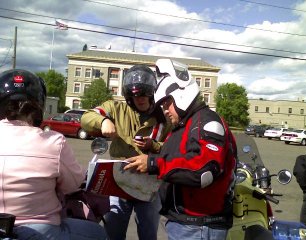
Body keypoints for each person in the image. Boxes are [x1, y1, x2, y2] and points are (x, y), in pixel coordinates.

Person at [124, 59, 237, 240]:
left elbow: (203, 171)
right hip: (185, 223)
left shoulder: (206, 122)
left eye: (166, 104)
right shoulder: (186, 125)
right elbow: (173, 160)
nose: (165, 111)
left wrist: (154, 164)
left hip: (198, 226)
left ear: (180, 95)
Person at [0, 69, 107, 240]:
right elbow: (74, 185)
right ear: (38, 105)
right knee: (98, 233)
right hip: (40, 230)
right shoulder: (53, 141)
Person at [81, 65, 171, 240]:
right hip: (118, 179)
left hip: (150, 181)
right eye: (135, 95)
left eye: (144, 94)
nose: (140, 99)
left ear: (152, 92)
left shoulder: (164, 117)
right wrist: (104, 121)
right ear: (128, 95)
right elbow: (86, 117)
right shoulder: (115, 108)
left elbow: (172, 147)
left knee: (148, 232)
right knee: (113, 230)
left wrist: (154, 146)